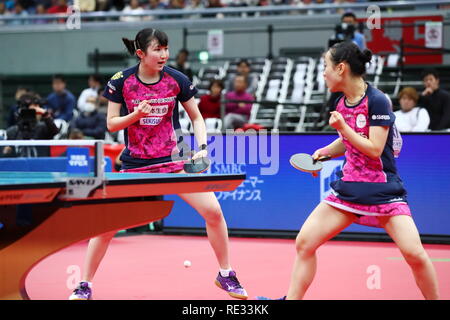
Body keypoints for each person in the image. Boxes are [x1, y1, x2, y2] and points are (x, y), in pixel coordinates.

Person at [69, 28, 247, 301]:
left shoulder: (177, 80)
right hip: (135, 164)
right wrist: (136, 115)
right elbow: (112, 123)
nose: (164, 55)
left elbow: (197, 119)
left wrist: (200, 150)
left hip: (173, 161)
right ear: (141, 53)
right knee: (106, 228)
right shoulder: (121, 82)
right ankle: (84, 285)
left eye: (166, 49)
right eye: (157, 50)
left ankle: (226, 274)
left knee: (213, 212)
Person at [262, 41, 440, 300]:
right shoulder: (341, 101)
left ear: (341, 68)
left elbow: (375, 148)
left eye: (326, 66)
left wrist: (344, 129)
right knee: (304, 242)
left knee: (414, 254)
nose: (323, 72)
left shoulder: (378, 101)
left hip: (383, 190)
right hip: (349, 190)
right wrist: (324, 151)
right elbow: (346, 142)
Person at [2, 92, 59, 157]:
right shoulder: (12, 132)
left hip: (40, 165)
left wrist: (45, 114)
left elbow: (55, 131)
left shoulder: (43, 128)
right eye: (34, 106)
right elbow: (6, 158)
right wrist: (7, 151)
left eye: (38, 106)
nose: (37, 109)